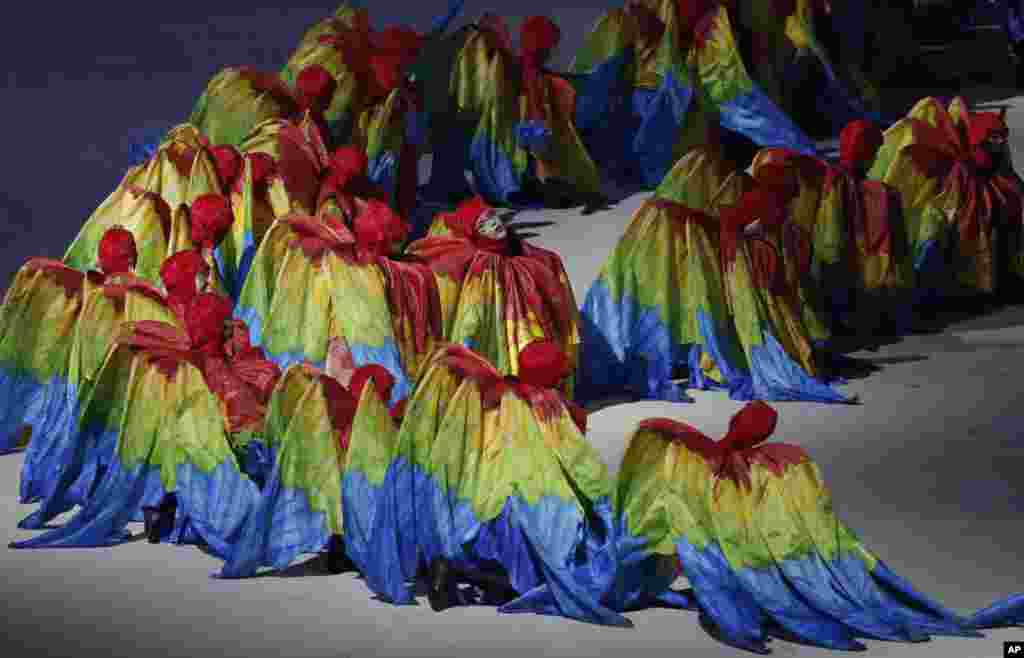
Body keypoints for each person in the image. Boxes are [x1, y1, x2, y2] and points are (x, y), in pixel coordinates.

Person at [609, 401, 1024, 652]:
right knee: (844, 593)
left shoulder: (704, 460)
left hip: (733, 548)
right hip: (767, 546)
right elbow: (814, 511)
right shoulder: (788, 459)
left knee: (741, 578)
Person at [10, 293, 271, 556]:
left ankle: (173, 507)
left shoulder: (163, 357)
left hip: (179, 457)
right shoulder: (221, 373)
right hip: (213, 461)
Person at [384, 340, 622, 625]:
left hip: (471, 509)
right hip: (523, 510)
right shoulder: (549, 407)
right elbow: (584, 468)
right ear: (554, 377)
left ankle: (454, 570)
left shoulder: (486, 397)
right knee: (563, 544)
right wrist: (609, 508)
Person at [407, 195, 580, 396]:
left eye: (492, 217)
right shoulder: (482, 268)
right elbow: (473, 311)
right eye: (483, 225)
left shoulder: (526, 252)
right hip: (501, 329)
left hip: (532, 324)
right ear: (475, 234)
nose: (493, 224)